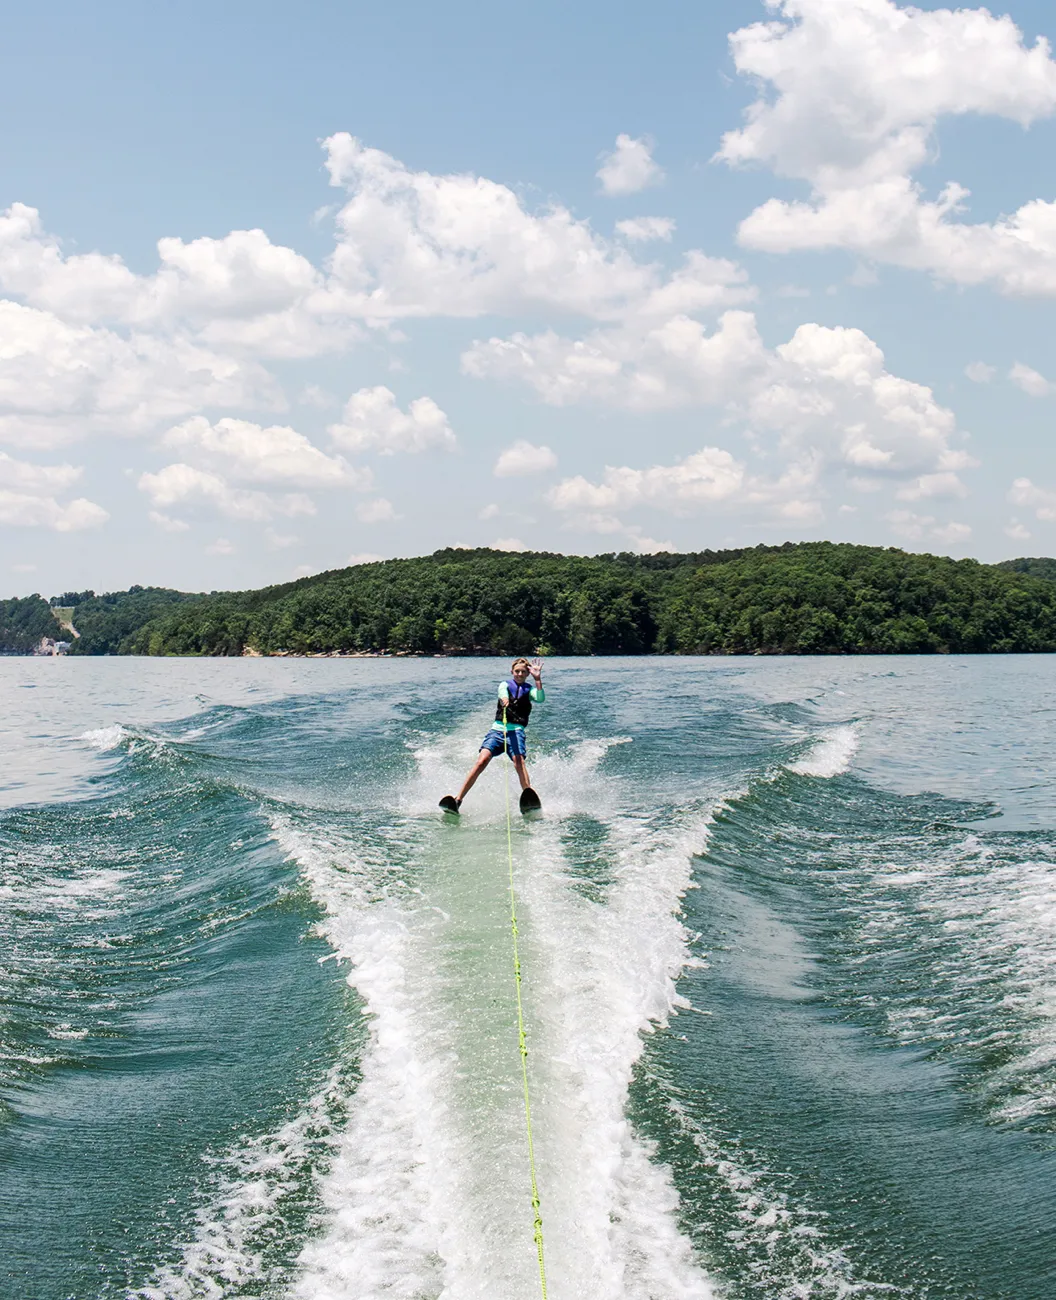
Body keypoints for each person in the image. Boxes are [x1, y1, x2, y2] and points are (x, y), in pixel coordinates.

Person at [446, 657, 544, 810]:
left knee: (519, 762)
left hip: (516, 732)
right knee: (481, 761)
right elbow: (502, 692)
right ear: (512, 672)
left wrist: (537, 679)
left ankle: (529, 799)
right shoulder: (505, 685)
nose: (519, 674)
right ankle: (458, 799)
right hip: (497, 731)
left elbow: (540, 698)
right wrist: (505, 699)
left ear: (527, 674)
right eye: (517, 671)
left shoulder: (529, 689)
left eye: (523, 672)